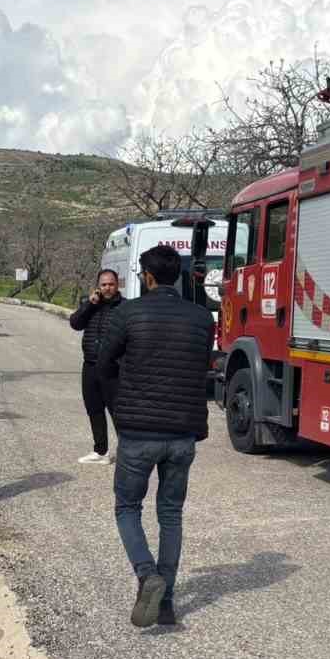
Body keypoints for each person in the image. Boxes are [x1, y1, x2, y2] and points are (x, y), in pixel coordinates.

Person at [97, 245, 214, 629]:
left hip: (138, 432)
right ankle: (166, 604)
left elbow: (104, 365)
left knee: (127, 508)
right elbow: (201, 370)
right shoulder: (202, 318)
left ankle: (147, 575)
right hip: (182, 433)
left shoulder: (129, 313)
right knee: (171, 514)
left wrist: (122, 403)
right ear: (176, 276)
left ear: (146, 276)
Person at [68, 268, 124, 465]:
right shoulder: (92, 305)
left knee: (117, 410)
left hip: (112, 368)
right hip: (90, 365)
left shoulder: (124, 307)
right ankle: (101, 451)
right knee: (94, 408)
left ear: (118, 285)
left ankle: (126, 452)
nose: (107, 288)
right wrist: (88, 305)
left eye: (111, 284)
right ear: (98, 287)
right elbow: (75, 323)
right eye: (104, 284)